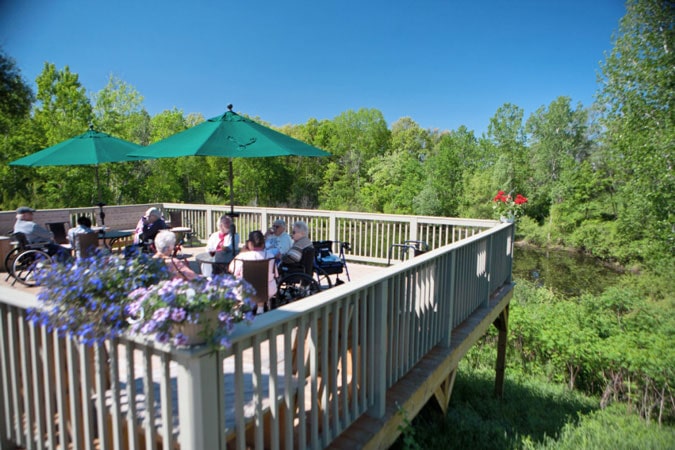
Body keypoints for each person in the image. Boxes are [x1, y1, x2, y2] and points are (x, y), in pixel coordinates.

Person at [230, 230, 278, 314]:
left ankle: (243, 308)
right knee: (264, 282)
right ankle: (260, 308)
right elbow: (275, 274)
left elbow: (231, 269)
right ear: (263, 244)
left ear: (250, 244)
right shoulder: (270, 256)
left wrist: (241, 252)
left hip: (245, 291)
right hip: (267, 291)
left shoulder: (242, 257)